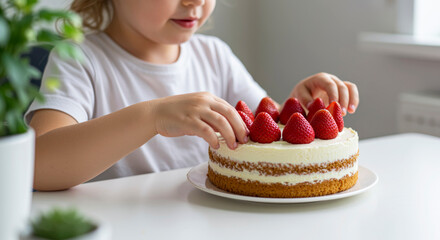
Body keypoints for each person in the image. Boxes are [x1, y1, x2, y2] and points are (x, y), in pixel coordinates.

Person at [26, 0, 359, 191]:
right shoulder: (79, 59)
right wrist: (152, 117)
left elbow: (268, 136)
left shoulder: (215, 56)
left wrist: (296, 109)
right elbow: (38, 166)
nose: (195, 2)